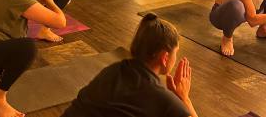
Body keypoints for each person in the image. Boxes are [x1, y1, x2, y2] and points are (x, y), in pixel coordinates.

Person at [62, 13, 199, 117]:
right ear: (165, 57)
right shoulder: (160, 98)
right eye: (176, 52)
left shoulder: (112, 70)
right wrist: (184, 98)